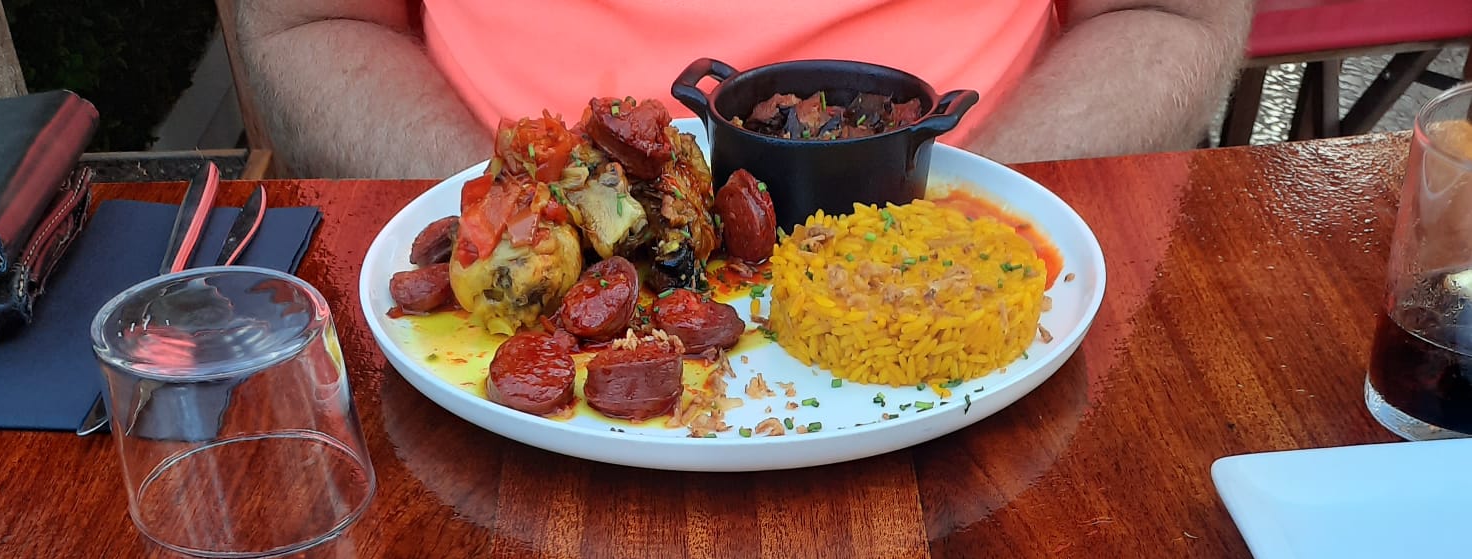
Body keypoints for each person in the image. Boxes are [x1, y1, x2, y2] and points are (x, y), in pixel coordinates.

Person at [234, 0, 1254, 179]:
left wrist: (975, 225)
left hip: (987, 214)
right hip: (502, 261)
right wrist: (515, 234)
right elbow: (312, 21)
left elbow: (1165, 11)